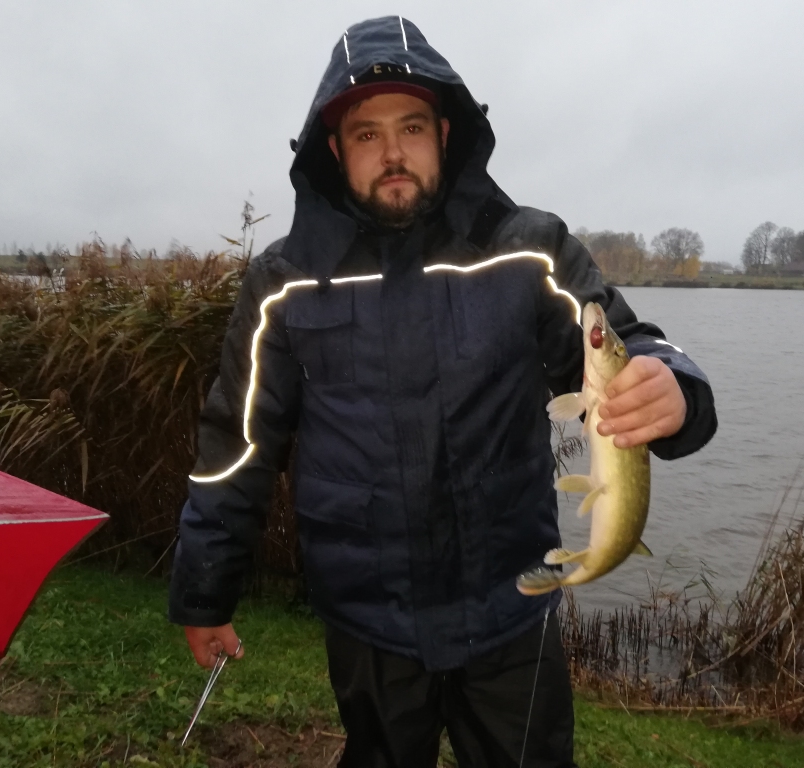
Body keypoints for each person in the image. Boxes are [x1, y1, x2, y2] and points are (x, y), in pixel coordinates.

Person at [169, 16, 716, 768]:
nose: (393, 152)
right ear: (335, 149)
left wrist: (676, 387)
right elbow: (236, 446)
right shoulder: (283, 281)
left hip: (512, 611)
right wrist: (205, 589)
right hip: (367, 623)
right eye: (367, 134)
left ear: (446, 133)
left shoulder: (531, 247)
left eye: (412, 126)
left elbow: (630, 343)